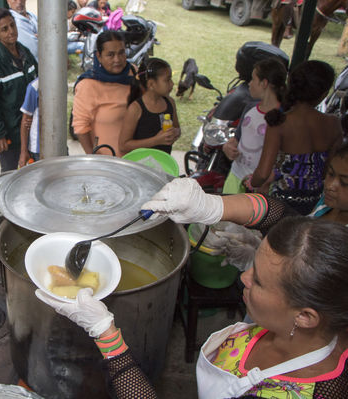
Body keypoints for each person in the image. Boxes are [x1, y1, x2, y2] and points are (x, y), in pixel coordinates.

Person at [38, 178, 348, 398]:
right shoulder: (319, 302)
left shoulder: (299, 392)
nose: (244, 277)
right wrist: (212, 206)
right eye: (253, 263)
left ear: (305, 316)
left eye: (260, 281)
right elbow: (278, 216)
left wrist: (107, 336)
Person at [249, 60, 342, 215]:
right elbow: (328, 170)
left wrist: (252, 182)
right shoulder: (334, 124)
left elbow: (263, 173)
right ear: (324, 94)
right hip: (314, 203)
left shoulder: (280, 123)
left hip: (281, 203)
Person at [0, 9, 37, 172]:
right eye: (4, 29)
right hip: (9, 136)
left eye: (12, 25)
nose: (11, 31)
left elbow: (38, 84)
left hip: (30, 130)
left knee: (33, 173)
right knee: (12, 177)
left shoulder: (25, 53)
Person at [222, 58, 287, 194]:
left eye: (252, 79)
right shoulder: (250, 108)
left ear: (264, 83)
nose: (249, 84)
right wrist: (228, 146)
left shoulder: (283, 117)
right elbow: (237, 138)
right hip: (235, 176)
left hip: (260, 186)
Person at [72, 30, 133, 156]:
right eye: (110, 55)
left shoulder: (134, 74)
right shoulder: (88, 85)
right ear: (99, 56)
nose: (117, 59)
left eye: (121, 53)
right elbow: (80, 127)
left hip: (138, 158)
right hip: (107, 161)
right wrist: (94, 158)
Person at [119, 57, 181, 155]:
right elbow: (123, 146)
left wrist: (175, 133)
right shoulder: (135, 109)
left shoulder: (170, 102)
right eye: (167, 80)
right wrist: (156, 140)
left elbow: (177, 127)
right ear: (151, 84)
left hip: (162, 163)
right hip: (140, 165)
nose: (172, 84)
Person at [19, 76, 39, 167]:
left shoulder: (61, 83)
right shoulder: (35, 86)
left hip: (59, 144)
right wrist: (23, 152)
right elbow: (25, 120)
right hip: (38, 149)